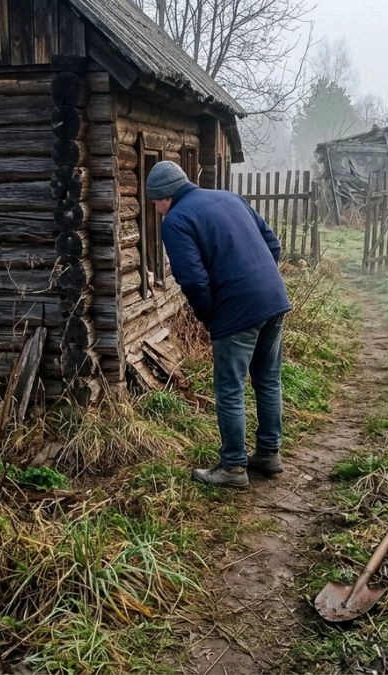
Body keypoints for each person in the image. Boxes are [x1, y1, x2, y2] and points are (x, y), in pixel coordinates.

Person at [145, 161, 292, 489]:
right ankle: (269, 454)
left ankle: (233, 468)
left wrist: (212, 316)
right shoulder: (231, 198)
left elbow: (193, 280)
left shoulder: (176, 221)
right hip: (274, 299)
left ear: (166, 196)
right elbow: (273, 245)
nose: (155, 210)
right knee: (267, 380)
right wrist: (260, 281)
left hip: (236, 311)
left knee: (230, 388)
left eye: (154, 202)